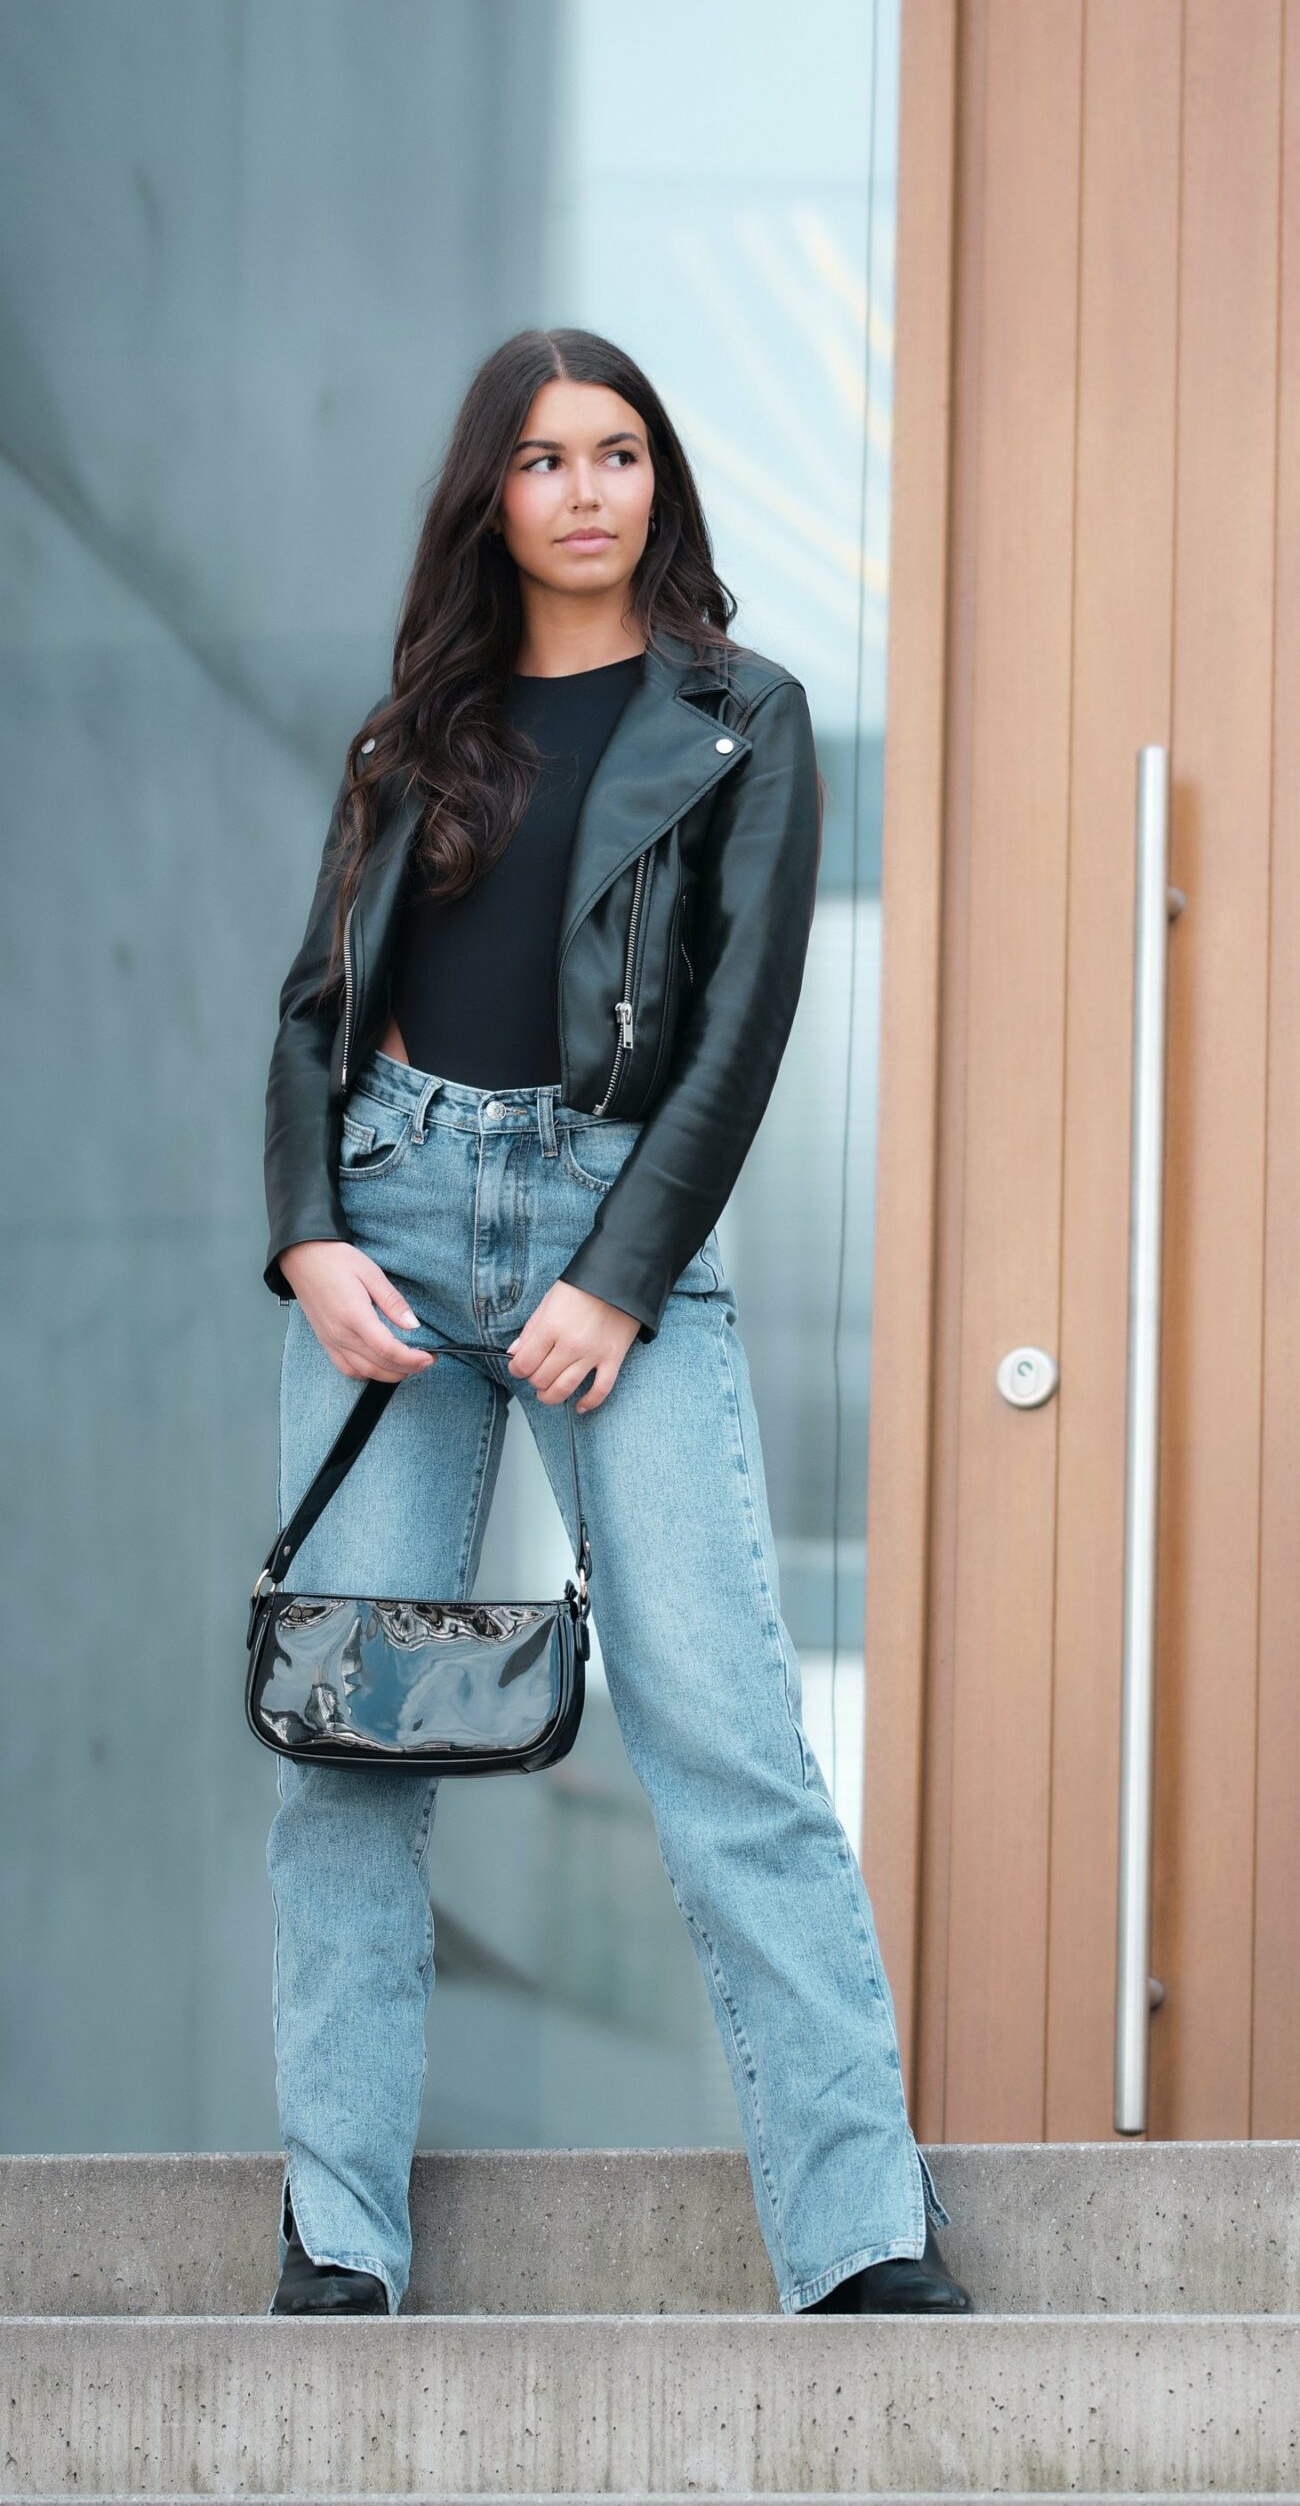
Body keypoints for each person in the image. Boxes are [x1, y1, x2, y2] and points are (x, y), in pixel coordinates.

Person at [259, 326, 969, 2322]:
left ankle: (855, 2233)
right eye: (544, 457)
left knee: (730, 1734)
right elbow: (315, 1012)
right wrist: (310, 1235)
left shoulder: (750, 720)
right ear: (491, 491)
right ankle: (337, 2240)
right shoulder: (411, 734)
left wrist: (617, 1274)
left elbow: (739, 1034)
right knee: (343, 1739)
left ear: (660, 481)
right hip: (386, 1241)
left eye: (619, 451)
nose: (583, 488)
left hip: (609, 1237)